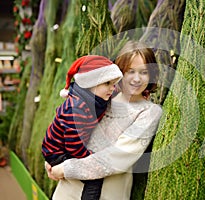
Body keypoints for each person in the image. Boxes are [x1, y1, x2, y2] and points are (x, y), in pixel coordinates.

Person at [46, 40, 163, 200]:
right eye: (130, 71)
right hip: (69, 190)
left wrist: (65, 168)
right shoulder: (102, 97)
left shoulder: (149, 112)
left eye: (143, 72)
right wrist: (52, 160)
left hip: (107, 192)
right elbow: (65, 126)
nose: (136, 79)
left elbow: (118, 157)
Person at [41, 55, 123, 200]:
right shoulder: (77, 109)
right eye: (108, 84)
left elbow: (112, 90)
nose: (112, 88)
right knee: (93, 178)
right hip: (57, 151)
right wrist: (90, 159)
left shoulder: (94, 97)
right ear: (90, 83)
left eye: (114, 83)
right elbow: (73, 144)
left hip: (67, 146)